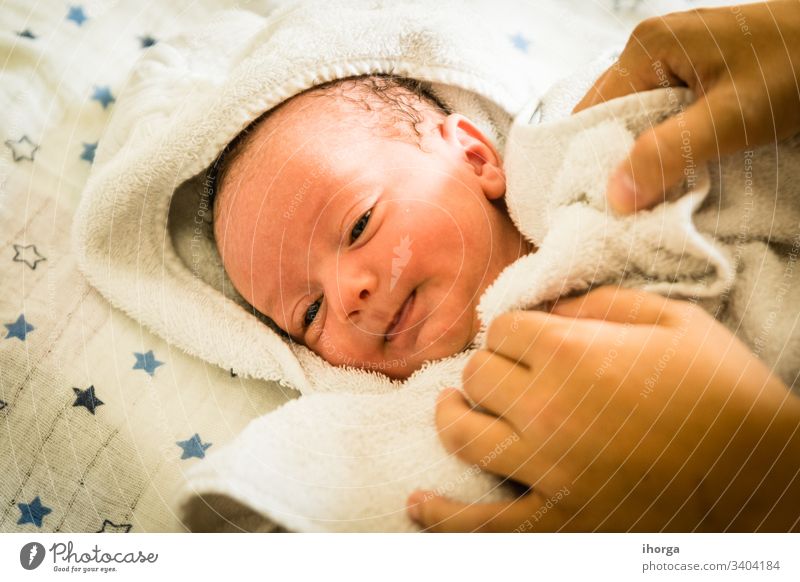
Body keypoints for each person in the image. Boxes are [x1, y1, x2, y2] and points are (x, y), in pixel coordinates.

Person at [406, 0, 800, 531]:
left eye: (359, 226)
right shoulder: (431, 415)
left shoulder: (585, 161)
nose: (347, 293)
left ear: (475, 158)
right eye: (309, 313)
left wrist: (763, 492)